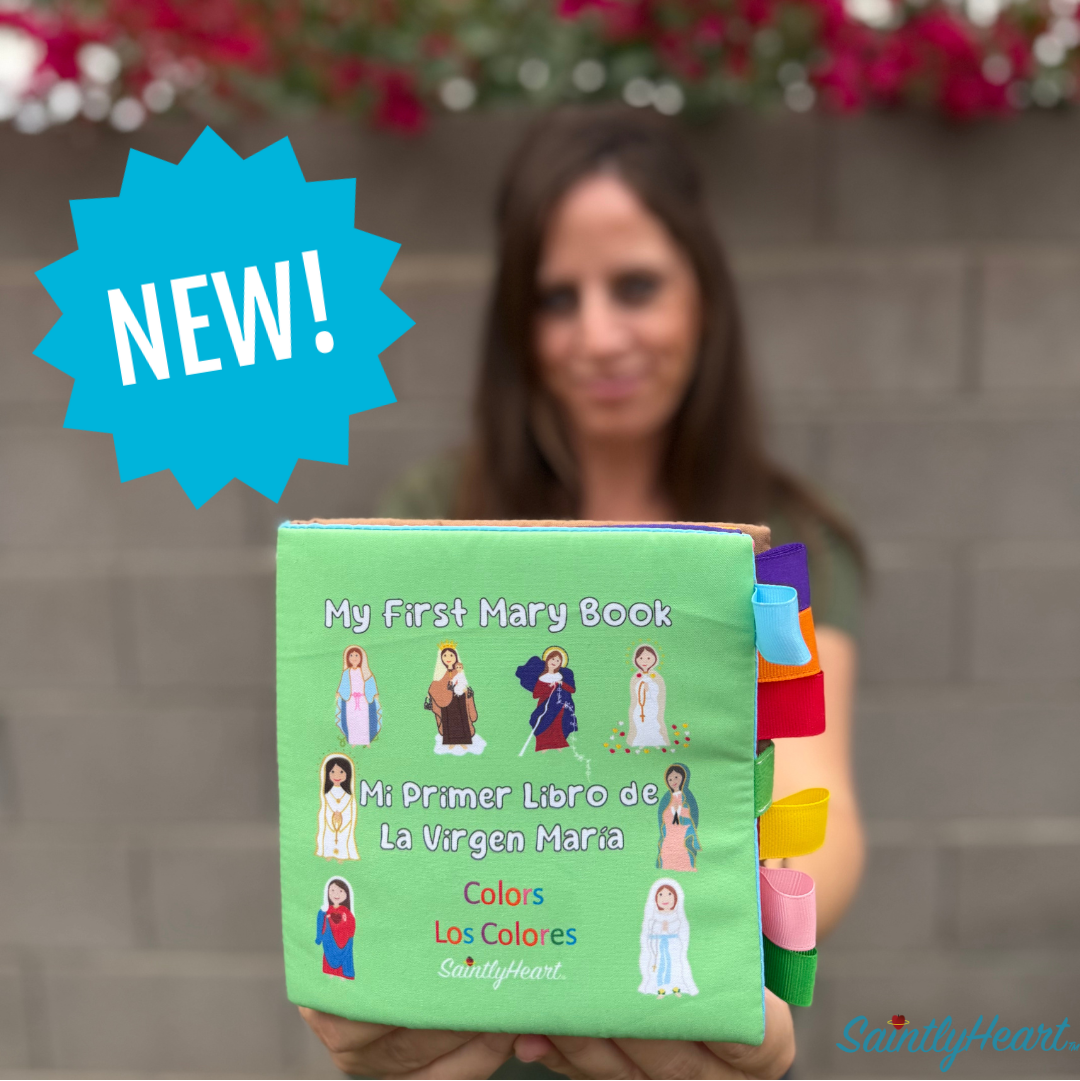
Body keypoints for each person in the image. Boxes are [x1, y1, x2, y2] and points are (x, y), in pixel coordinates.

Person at [302, 105, 864, 1080]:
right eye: (558, 298)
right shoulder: (436, 513)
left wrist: (750, 937)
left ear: (704, 294)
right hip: (465, 1006)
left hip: (681, 1000)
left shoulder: (782, 537)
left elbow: (819, 796)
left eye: (635, 285)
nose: (599, 335)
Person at [638, 880, 698, 998]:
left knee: (674, 965)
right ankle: (660, 989)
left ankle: (675, 987)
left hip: (673, 945)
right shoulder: (654, 917)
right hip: (658, 945)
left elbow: (678, 928)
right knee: (660, 965)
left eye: (669, 894)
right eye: (661, 895)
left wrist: (666, 929)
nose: (665, 898)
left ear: (675, 897)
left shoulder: (676, 916)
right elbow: (651, 930)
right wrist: (660, 929)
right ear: (655, 898)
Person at [514, 647, 578, 752]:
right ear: (547, 659)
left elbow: (572, 690)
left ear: (560, 664)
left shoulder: (560, 676)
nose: (554, 662)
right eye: (553, 659)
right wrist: (547, 686)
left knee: (557, 725)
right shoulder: (542, 677)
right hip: (545, 705)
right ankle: (543, 746)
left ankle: (558, 745)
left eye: (558, 661)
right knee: (543, 723)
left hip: (559, 706)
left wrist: (561, 683)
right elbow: (536, 694)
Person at [427, 644, 484, 754]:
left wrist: (469, 694)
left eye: (451, 655)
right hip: (447, 704)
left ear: (456, 657)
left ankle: (464, 742)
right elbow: (435, 686)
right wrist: (444, 689)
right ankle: (451, 742)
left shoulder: (458, 672)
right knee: (449, 722)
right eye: (445, 656)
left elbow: (464, 684)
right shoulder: (440, 674)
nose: (448, 658)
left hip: (460, 701)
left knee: (462, 721)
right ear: (441, 658)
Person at [656, 763, 700, 872]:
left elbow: (689, 816)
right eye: (670, 779)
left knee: (680, 857)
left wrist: (678, 811)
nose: (673, 781)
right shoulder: (667, 798)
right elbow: (664, 817)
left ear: (683, 778)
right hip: (668, 837)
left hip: (679, 836)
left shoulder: (685, 797)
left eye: (676, 777)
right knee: (666, 857)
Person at [315, 754, 359, 861]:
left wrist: (342, 817)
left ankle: (342, 856)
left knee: (343, 837)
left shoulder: (348, 796)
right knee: (329, 837)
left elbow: (350, 811)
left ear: (347, 774)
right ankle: (328, 853)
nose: (337, 776)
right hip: (330, 824)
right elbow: (324, 810)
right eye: (333, 772)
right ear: (327, 774)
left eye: (341, 772)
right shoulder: (326, 794)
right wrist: (332, 817)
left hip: (343, 824)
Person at [335, 645, 382, 746]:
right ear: (347, 658)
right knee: (352, 720)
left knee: (364, 720)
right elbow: (343, 685)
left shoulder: (365, 672)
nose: (354, 658)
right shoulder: (346, 673)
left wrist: (374, 694)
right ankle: (353, 741)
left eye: (356, 655)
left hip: (363, 701)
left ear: (361, 657)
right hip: (351, 701)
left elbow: (370, 682)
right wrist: (339, 693)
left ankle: (366, 740)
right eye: (351, 655)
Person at [628, 644, 668, 748]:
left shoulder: (656, 676)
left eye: (648, 658)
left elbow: (660, 693)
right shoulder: (635, 677)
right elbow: (633, 695)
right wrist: (641, 686)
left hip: (652, 706)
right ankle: (639, 742)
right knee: (639, 724)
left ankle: (656, 742)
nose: (644, 661)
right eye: (641, 658)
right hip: (639, 707)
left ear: (654, 659)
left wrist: (649, 688)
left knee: (653, 723)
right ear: (636, 660)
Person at [316, 878, 356, 980]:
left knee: (344, 957)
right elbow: (321, 922)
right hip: (329, 941)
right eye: (332, 890)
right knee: (328, 955)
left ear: (346, 893)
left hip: (343, 941)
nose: (336, 894)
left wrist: (343, 923)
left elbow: (351, 926)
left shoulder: (346, 911)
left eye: (340, 891)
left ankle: (342, 974)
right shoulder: (326, 910)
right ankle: (331, 972)